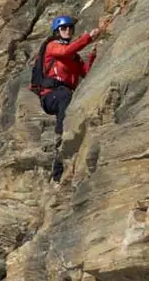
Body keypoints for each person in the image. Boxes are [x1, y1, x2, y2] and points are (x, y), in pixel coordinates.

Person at [38, 14, 111, 181]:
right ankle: (60, 132)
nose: (68, 31)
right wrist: (88, 37)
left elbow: (85, 73)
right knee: (65, 96)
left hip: (64, 94)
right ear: (57, 31)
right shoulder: (52, 46)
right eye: (63, 28)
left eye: (70, 28)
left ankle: (58, 169)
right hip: (51, 95)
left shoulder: (74, 58)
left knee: (69, 99)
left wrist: (93, 56)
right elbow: (65, 51)